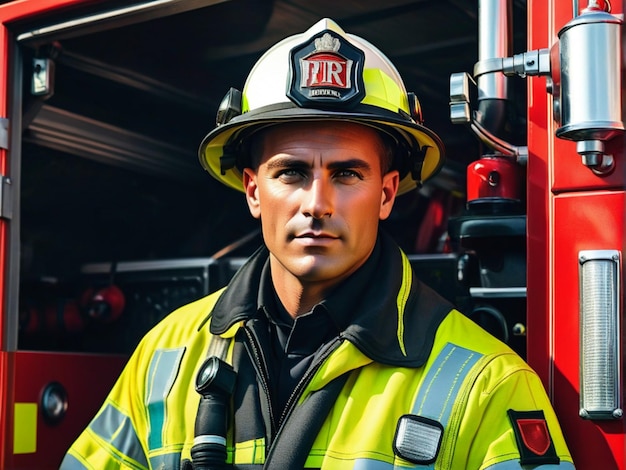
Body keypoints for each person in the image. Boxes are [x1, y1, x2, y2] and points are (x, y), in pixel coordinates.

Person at [61, 18, 574, 470]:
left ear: (387, 193)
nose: (317, 203)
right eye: (291, 172)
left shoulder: (488, 384)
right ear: (254, 191)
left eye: (347, 173)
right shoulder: (163, 355)